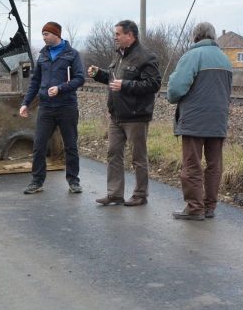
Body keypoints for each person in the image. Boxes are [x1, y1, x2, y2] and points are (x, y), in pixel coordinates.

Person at [88, 19, 162, 207]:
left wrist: (126, 85)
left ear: (130, 35)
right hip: (116, 116)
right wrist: (99, 74)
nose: (115, 37)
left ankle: (140, 195)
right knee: (113, 154)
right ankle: (114, 194)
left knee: (138, 157)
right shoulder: (119, 55)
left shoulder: (146, 57)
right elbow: (114, 79)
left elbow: (154, 84)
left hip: (136, 116)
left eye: (118, 34)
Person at [166, 22, 233, 221]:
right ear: (213, 36)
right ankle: (209, 207)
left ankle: (195, 208)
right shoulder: (225, 59)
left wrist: (171, 89)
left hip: (194, 120)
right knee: (214, 165)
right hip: (218, 119)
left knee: (192, 165)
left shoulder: (192, 56)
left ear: (195, 36)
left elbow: (176, 90)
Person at [19, 21, 86, 195]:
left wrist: (61, 88)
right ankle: (37, 182)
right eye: (43, 34)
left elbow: (80, 78)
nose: (44, 37)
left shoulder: (72, 54)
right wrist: (25, 103)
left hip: (67, 106)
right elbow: (34, 82)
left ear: (56, 34)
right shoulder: (42, 55)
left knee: (70, 145)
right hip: (46, 108)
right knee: (39, 145)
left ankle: (73, 181)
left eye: (46, 34)